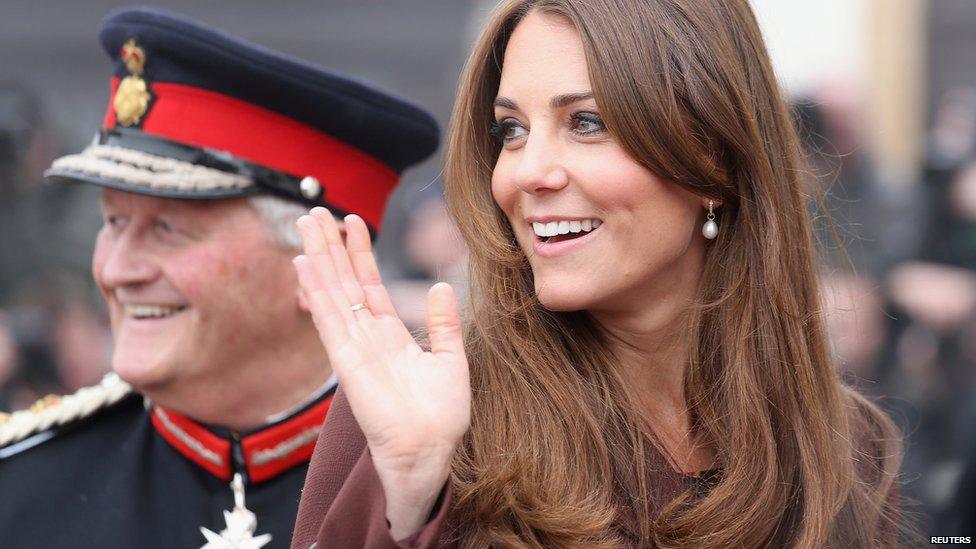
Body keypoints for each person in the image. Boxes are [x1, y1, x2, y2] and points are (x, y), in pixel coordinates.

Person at [289, 0, 903, 547]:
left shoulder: (845, 447)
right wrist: (407, 495)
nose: (528, 173)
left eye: (586, 123)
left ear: (713, 155)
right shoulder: (423, 412)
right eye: (512, 130)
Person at [0, 6, 438, 548]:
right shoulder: (23, 489)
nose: (116, 271)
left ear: (322, 258)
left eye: (167, 228)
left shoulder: (446, 492)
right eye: (113, 222)